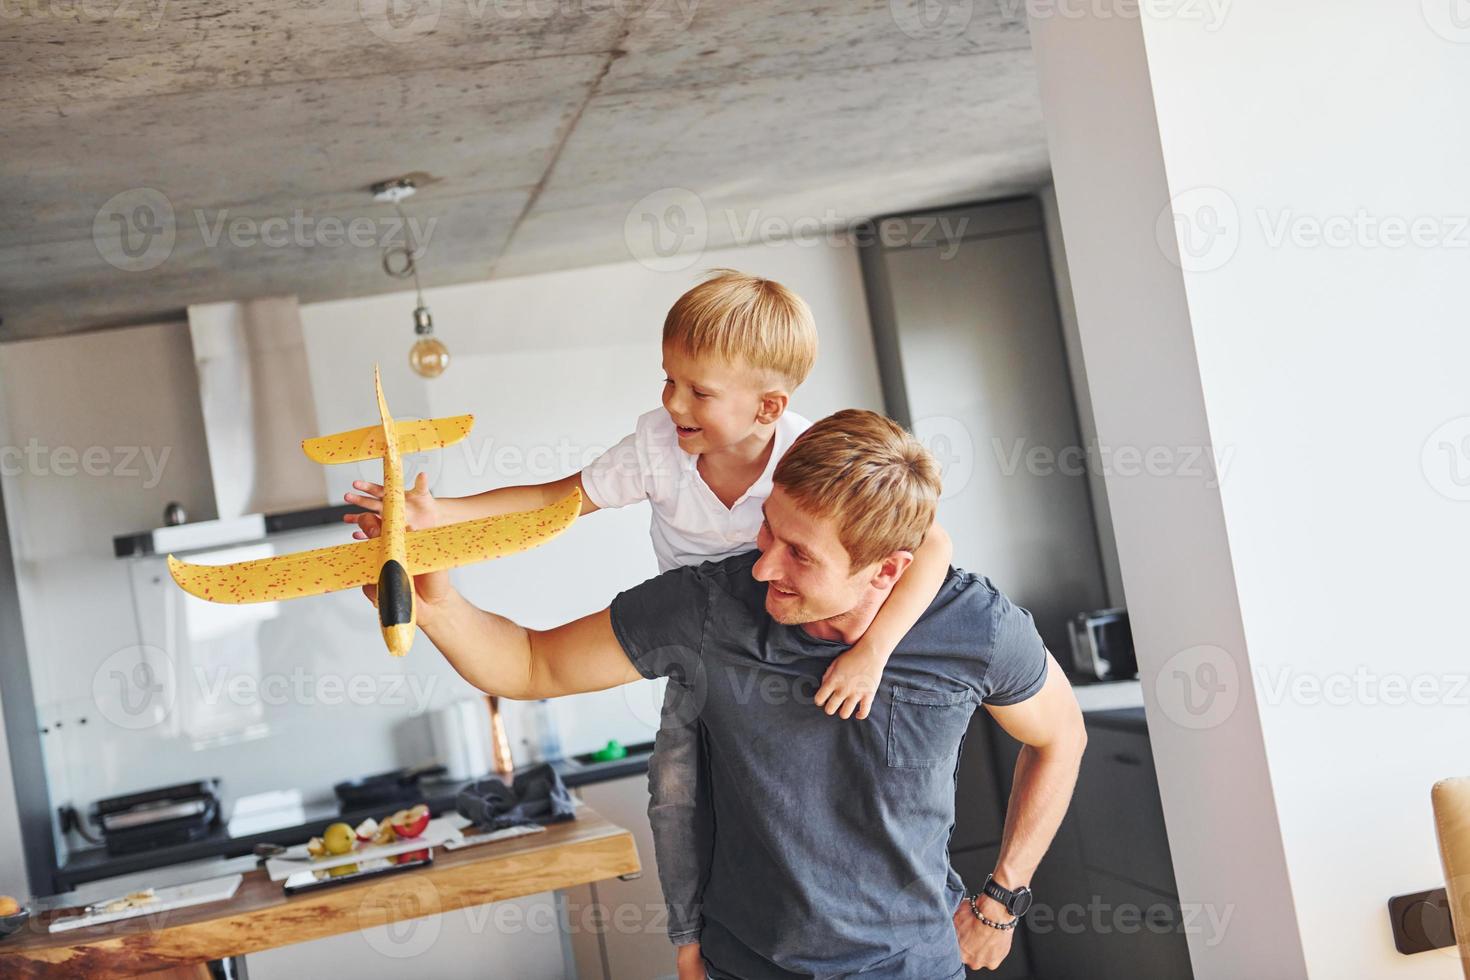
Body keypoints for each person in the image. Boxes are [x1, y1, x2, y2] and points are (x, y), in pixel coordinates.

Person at [344, 271, 954, 976]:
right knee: (673, 786)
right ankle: (689, 938)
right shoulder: (659, 447)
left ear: (770, 407)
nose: (672, 402)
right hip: (700, 638)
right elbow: (556, 500)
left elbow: (931, 543)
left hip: (792, 640)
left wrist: (875, 650)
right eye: (668, 380)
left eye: (698, 391)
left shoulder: (810, 457)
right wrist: (439, 514)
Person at [363, 408, 1088, 979]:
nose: (763, 562)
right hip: (747, 966)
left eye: (799, 554)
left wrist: (1002, 898)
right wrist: (437, 607)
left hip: (910, 966)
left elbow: (1060, 737)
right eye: (769, 529)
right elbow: (529, 665)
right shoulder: (708, 606)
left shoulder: (975, 627)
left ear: (888, 571)